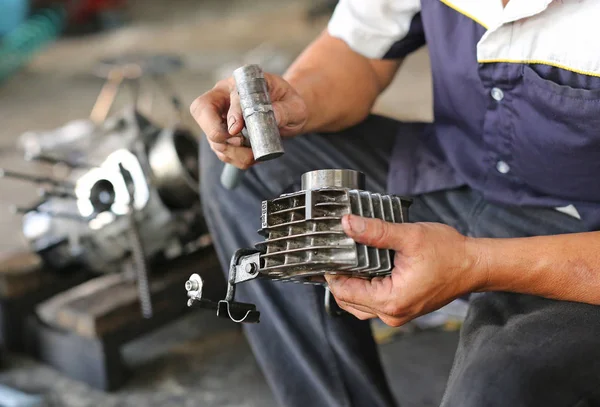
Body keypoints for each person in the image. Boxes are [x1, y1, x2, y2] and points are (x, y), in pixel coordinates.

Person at [191, 0, 600, 406]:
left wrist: (475, 263)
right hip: (460, 171)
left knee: (496, 389)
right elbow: (359, 54)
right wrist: (292, 103)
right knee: (255, 172)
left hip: (579, 244)